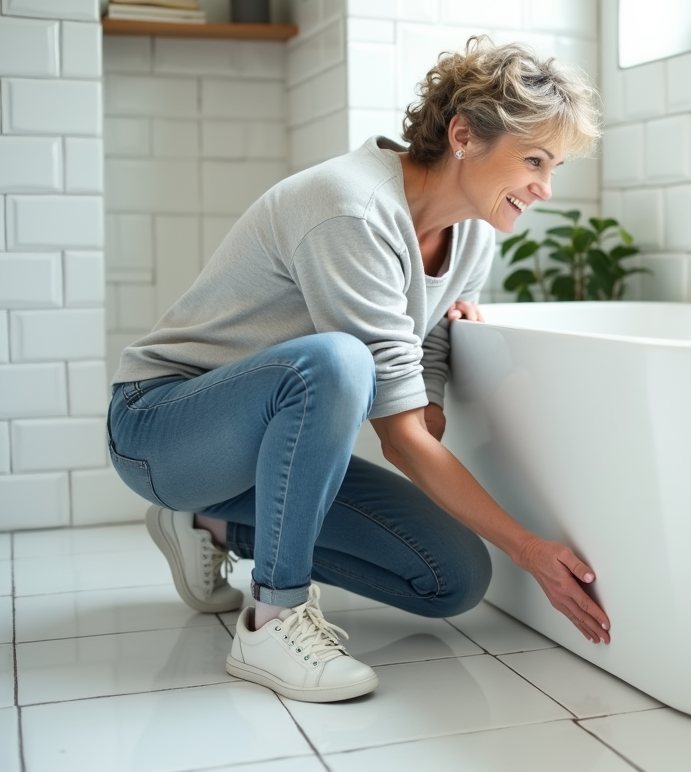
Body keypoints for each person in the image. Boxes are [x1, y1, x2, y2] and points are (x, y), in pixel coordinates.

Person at [106, 36, 611, 703]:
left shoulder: (473, 237)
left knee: (453, 577)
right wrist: (528, 548)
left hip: (259, 457)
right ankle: (271, 618)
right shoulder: (349, 207)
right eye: (535, 160)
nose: (545, 188)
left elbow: (419, 412)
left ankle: (211, 523)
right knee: (335, 361)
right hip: (162, 430)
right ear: (464, 135)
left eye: (556, 167)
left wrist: (448, 346)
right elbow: (400, 438)